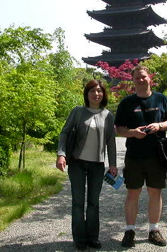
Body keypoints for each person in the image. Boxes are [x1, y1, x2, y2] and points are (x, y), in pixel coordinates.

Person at [115, 65, 167, 248]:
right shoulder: (127, 103)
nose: (141, 80)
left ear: (149, 78)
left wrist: (159, 126)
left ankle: (153, 230)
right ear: (132, 80)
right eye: (137, 78)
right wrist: (133, 132)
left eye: (143, 77)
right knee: (132, 192)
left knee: (155, 192)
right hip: (134, 155)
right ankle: (130, 230)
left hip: (157, 155)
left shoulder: (161, 99)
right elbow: (118, 129)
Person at [56, 80, 118, 251]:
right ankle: (79, 239)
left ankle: (93, 237)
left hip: (97, 165)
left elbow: (111, 142)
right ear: (87, 93)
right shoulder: (77, 111)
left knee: (93, 203)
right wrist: (61, 154)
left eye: (99, 91)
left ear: (103, 94)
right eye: (92, 91)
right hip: (77, 163)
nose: (96, 94)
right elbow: (64, 133)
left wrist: (112, 164)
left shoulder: (108, 115)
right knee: (77, 202)